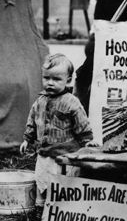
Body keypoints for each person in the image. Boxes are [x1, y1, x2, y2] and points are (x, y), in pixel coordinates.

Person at [20, 53, 95, 206]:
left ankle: (62, 210)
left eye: (56, 79)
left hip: (65, 154)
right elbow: (32, 121)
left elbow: (82, 124)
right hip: (45, 152)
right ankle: (42, 207)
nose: (50, 83)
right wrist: (27, 139)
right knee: (43, 178)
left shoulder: (71, 102)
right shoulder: (40, 101)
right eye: (46, 78)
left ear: (68, 80)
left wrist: (87, 142)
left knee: (63, 182)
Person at [74, 0, 127, 113]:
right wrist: (94, 36)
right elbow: (97, 25)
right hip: (105, 45)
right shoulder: (102, 0)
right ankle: (80, 107)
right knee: (85, 71)